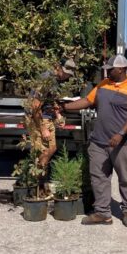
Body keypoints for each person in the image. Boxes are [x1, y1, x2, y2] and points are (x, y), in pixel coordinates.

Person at [64, 55, 127, 227]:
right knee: (99, 177)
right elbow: (88, 101)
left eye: (110, 69)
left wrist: (120, 134)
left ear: (121, 69)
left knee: (126, 178)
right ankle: (103, 213)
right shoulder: (103, 85)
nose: (107, 71)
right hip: (99, 142)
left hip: (124, 144)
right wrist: (65, 107)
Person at [25, 59, 75, 198]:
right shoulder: (46, 79)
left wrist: (58, 114)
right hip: (38, 118)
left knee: (50, 149)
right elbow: (35, 106)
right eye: (65, 73)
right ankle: (37, 186)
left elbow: (51, 99)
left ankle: (40, 184)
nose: (67, 76)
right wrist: (42, 128)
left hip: (47, 116)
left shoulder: (55, 80)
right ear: (58, 67)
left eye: (69, 74)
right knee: (45, 150)